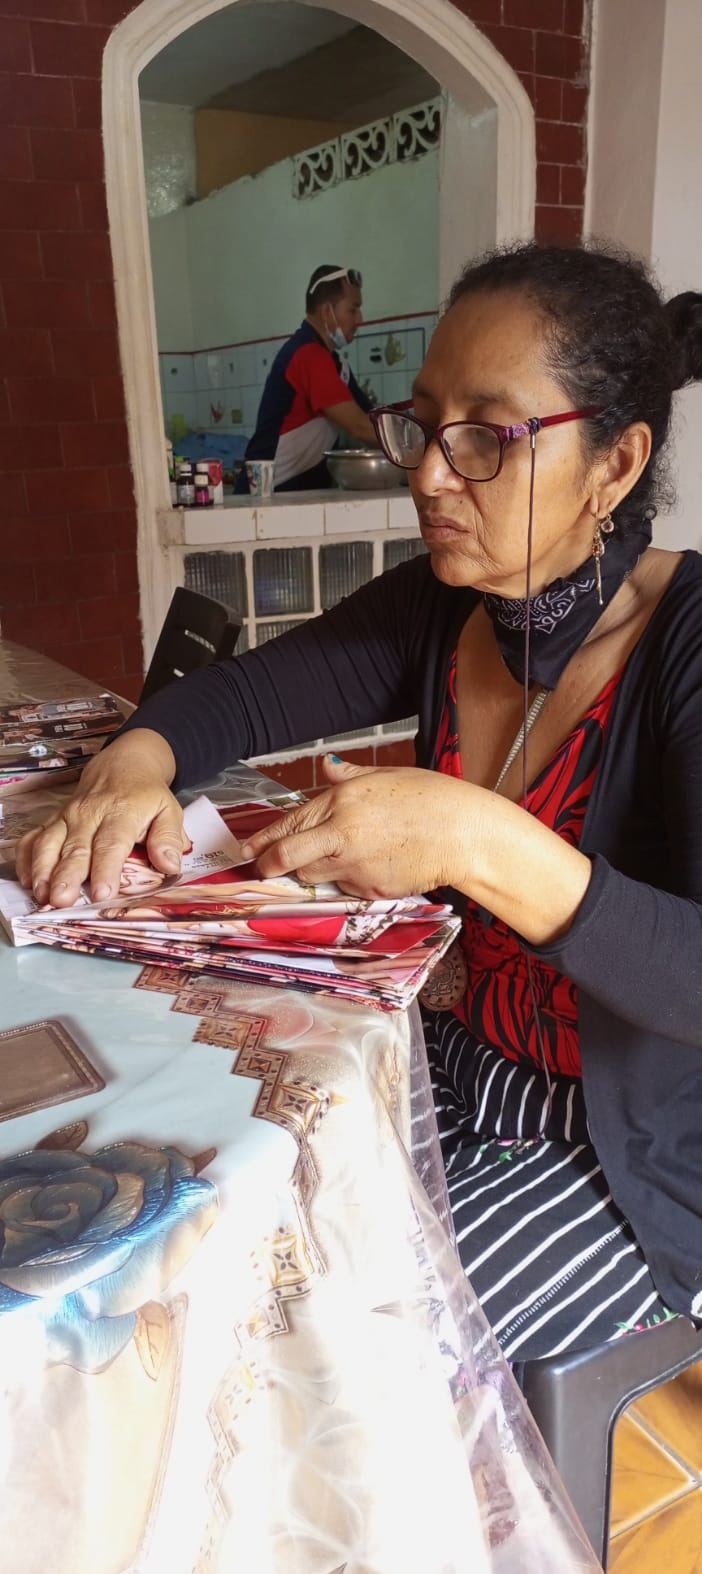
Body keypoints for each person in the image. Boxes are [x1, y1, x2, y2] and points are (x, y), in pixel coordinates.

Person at [18, 242, 702, 1364]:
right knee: (175, 1240)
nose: (430, 474)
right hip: (444, 1057)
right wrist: (134, 761)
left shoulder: (686, 646)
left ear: (615, 462)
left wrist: (469, 837)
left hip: (630, 1152)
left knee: (321, 1348)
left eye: (489, 436)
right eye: (423, 426)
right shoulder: (446, 607)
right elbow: (239, 697)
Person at [237, 265, 377, 493]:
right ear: (326, 311)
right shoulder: (307, 355)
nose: (360, 319)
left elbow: (373, 418)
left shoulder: (337, 366)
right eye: (353, 310)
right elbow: (360, 427)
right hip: (265, 495)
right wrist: (416, 452)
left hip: (296, 493)